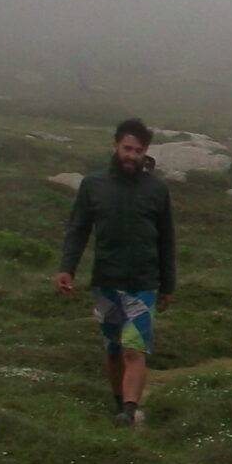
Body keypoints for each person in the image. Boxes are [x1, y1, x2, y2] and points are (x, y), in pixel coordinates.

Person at [55, 118, 177, 426]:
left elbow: (166, 239)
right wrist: (66, 268)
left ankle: (128, 411)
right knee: (112, 349)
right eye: (126, 148)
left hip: (143, 284)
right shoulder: (93, 185)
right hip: (105, 281)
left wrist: (168, 284)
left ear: (145, 152)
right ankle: (118, 402)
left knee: (134, 350)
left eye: (137, 150)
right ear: (115, 146)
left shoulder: (157, 190)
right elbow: (78, 229)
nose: (131, 155)